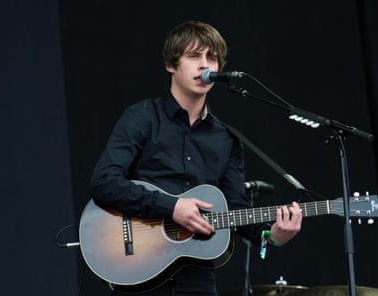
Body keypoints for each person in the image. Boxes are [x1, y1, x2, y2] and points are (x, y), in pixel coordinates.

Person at [89, 20, 303, 296]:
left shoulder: (227, 139)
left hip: (197, 282)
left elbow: (235, 210)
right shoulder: (141, 118)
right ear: (171, 64)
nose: (205, 66)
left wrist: (271, 236)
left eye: (212, 58)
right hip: (139, 274)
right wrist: (171, 207)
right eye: (194, 56)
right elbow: (103, 182)